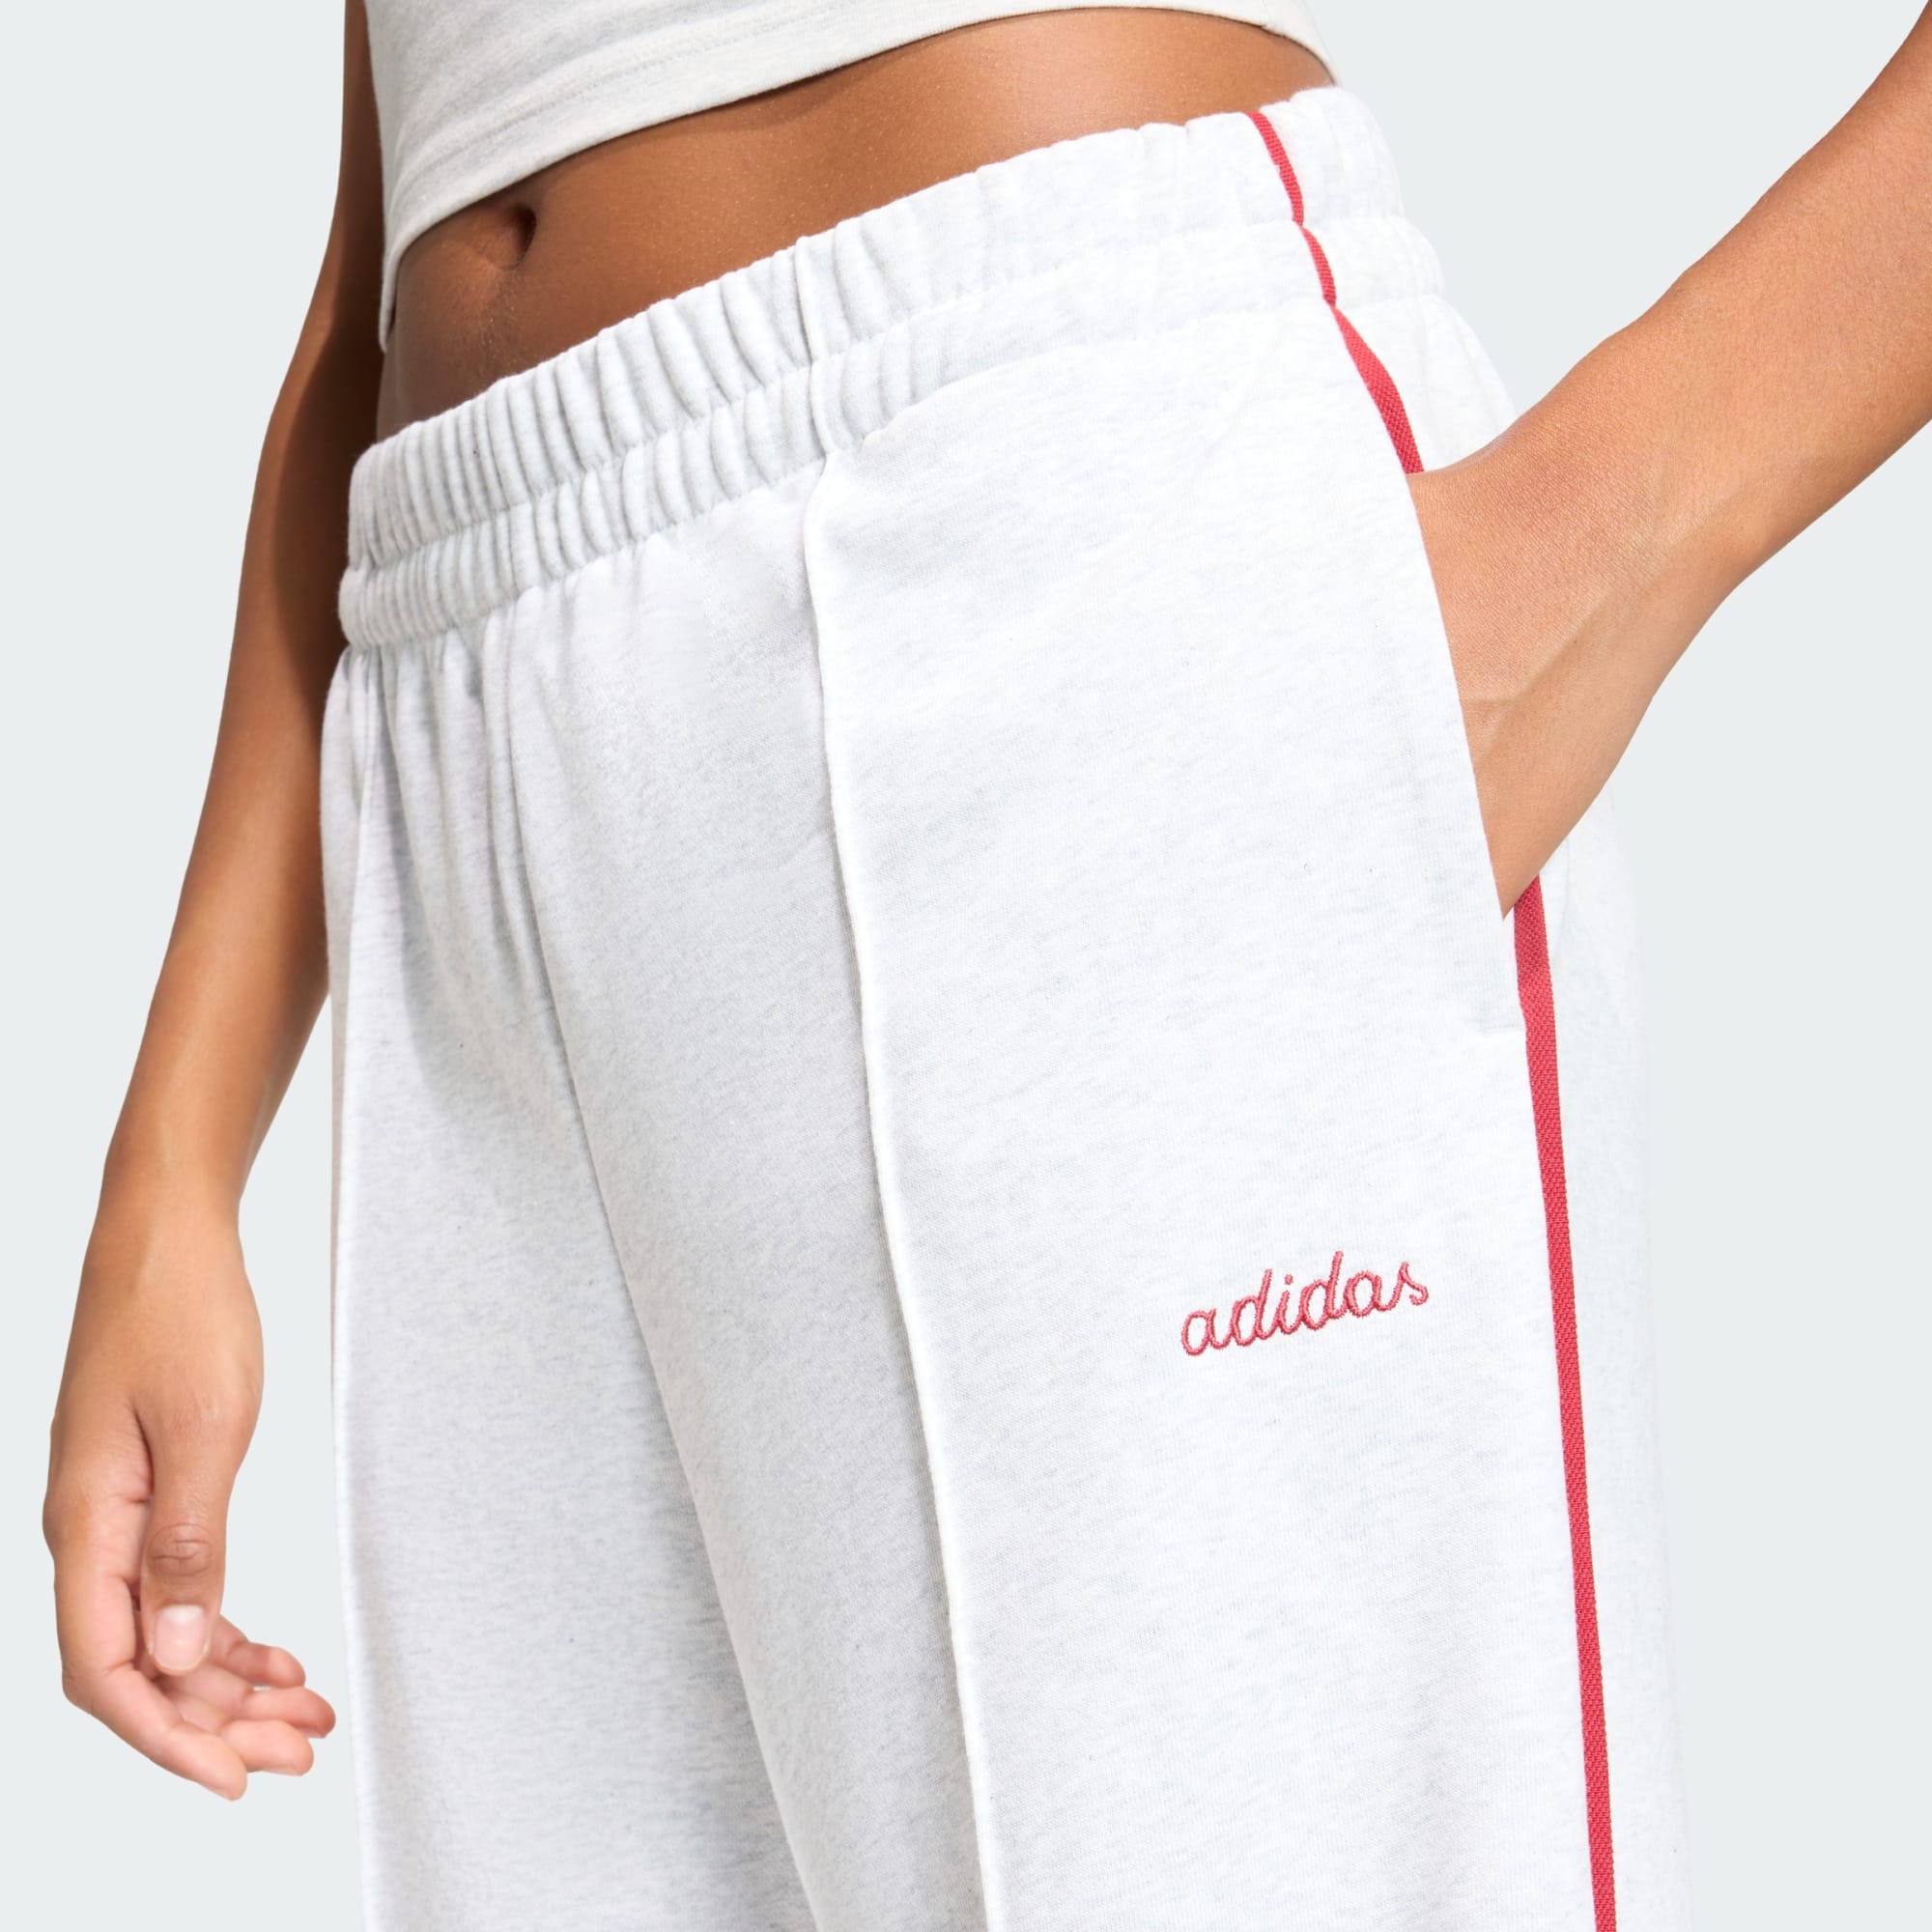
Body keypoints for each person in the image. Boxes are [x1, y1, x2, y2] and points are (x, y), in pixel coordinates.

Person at [43, 3, 1930, 1926]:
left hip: (1060, 509)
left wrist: (1616, 530)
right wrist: (173, 1161)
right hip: (474, 705)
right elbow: (391, 219)